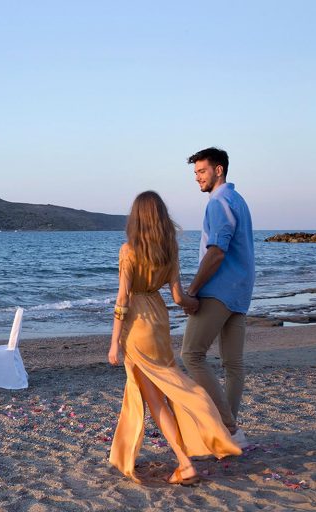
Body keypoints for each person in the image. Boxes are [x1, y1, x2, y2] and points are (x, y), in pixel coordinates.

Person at [108, 191, 241, 485]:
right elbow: (178, 295)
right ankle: (188, 450)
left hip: (138, 324)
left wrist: (114, 341)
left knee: (155, 398)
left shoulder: (128, 250)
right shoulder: (170, 250)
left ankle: (184, 461)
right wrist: (194, 304)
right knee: (167, 386)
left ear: (137, 218)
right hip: (159, 319)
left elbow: (123, 299)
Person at [181, 147, 255, 449]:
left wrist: (193, 290)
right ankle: (230, 434)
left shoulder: (219, 202)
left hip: (219, 291)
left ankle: (229, 426)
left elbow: (217, 251)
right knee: (233, 364)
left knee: (191, 354)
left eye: (202, 171)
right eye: (195, 172)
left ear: (219, 170)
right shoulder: (238, 200)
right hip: (241, 291)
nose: (197, 178)